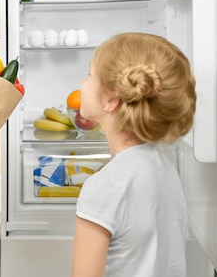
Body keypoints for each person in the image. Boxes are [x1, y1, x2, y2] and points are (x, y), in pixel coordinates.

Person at [70, 32, 197, 277]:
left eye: (90, 75)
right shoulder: (163, 163)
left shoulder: (105, 186)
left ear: (111, 100)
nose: (83, 83)